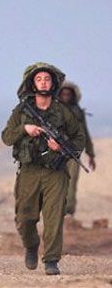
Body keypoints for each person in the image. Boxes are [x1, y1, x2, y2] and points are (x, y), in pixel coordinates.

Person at [1, 62, 85, 275]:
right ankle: (31, 246)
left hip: (55, 173)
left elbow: (79, 138)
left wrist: (61, 148)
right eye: (39, 79)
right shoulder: (22, 111)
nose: (43, 82)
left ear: (53, 83)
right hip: (29, 170)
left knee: (54, 217)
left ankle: (51, 260)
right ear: (32, 83)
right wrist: (24, 128)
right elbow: (6, 137)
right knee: (24, 218)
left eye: (47, 79)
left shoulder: (63, 112)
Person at [58, 81, 96, 217]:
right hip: (55, 152)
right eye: (63, 93)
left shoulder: (78, 112)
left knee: (71, 182)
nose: (66, 96)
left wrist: (91, 154)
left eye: (68, 94)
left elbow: (85, 133)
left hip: (73, 153)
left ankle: (69, 211)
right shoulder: (54, 111)